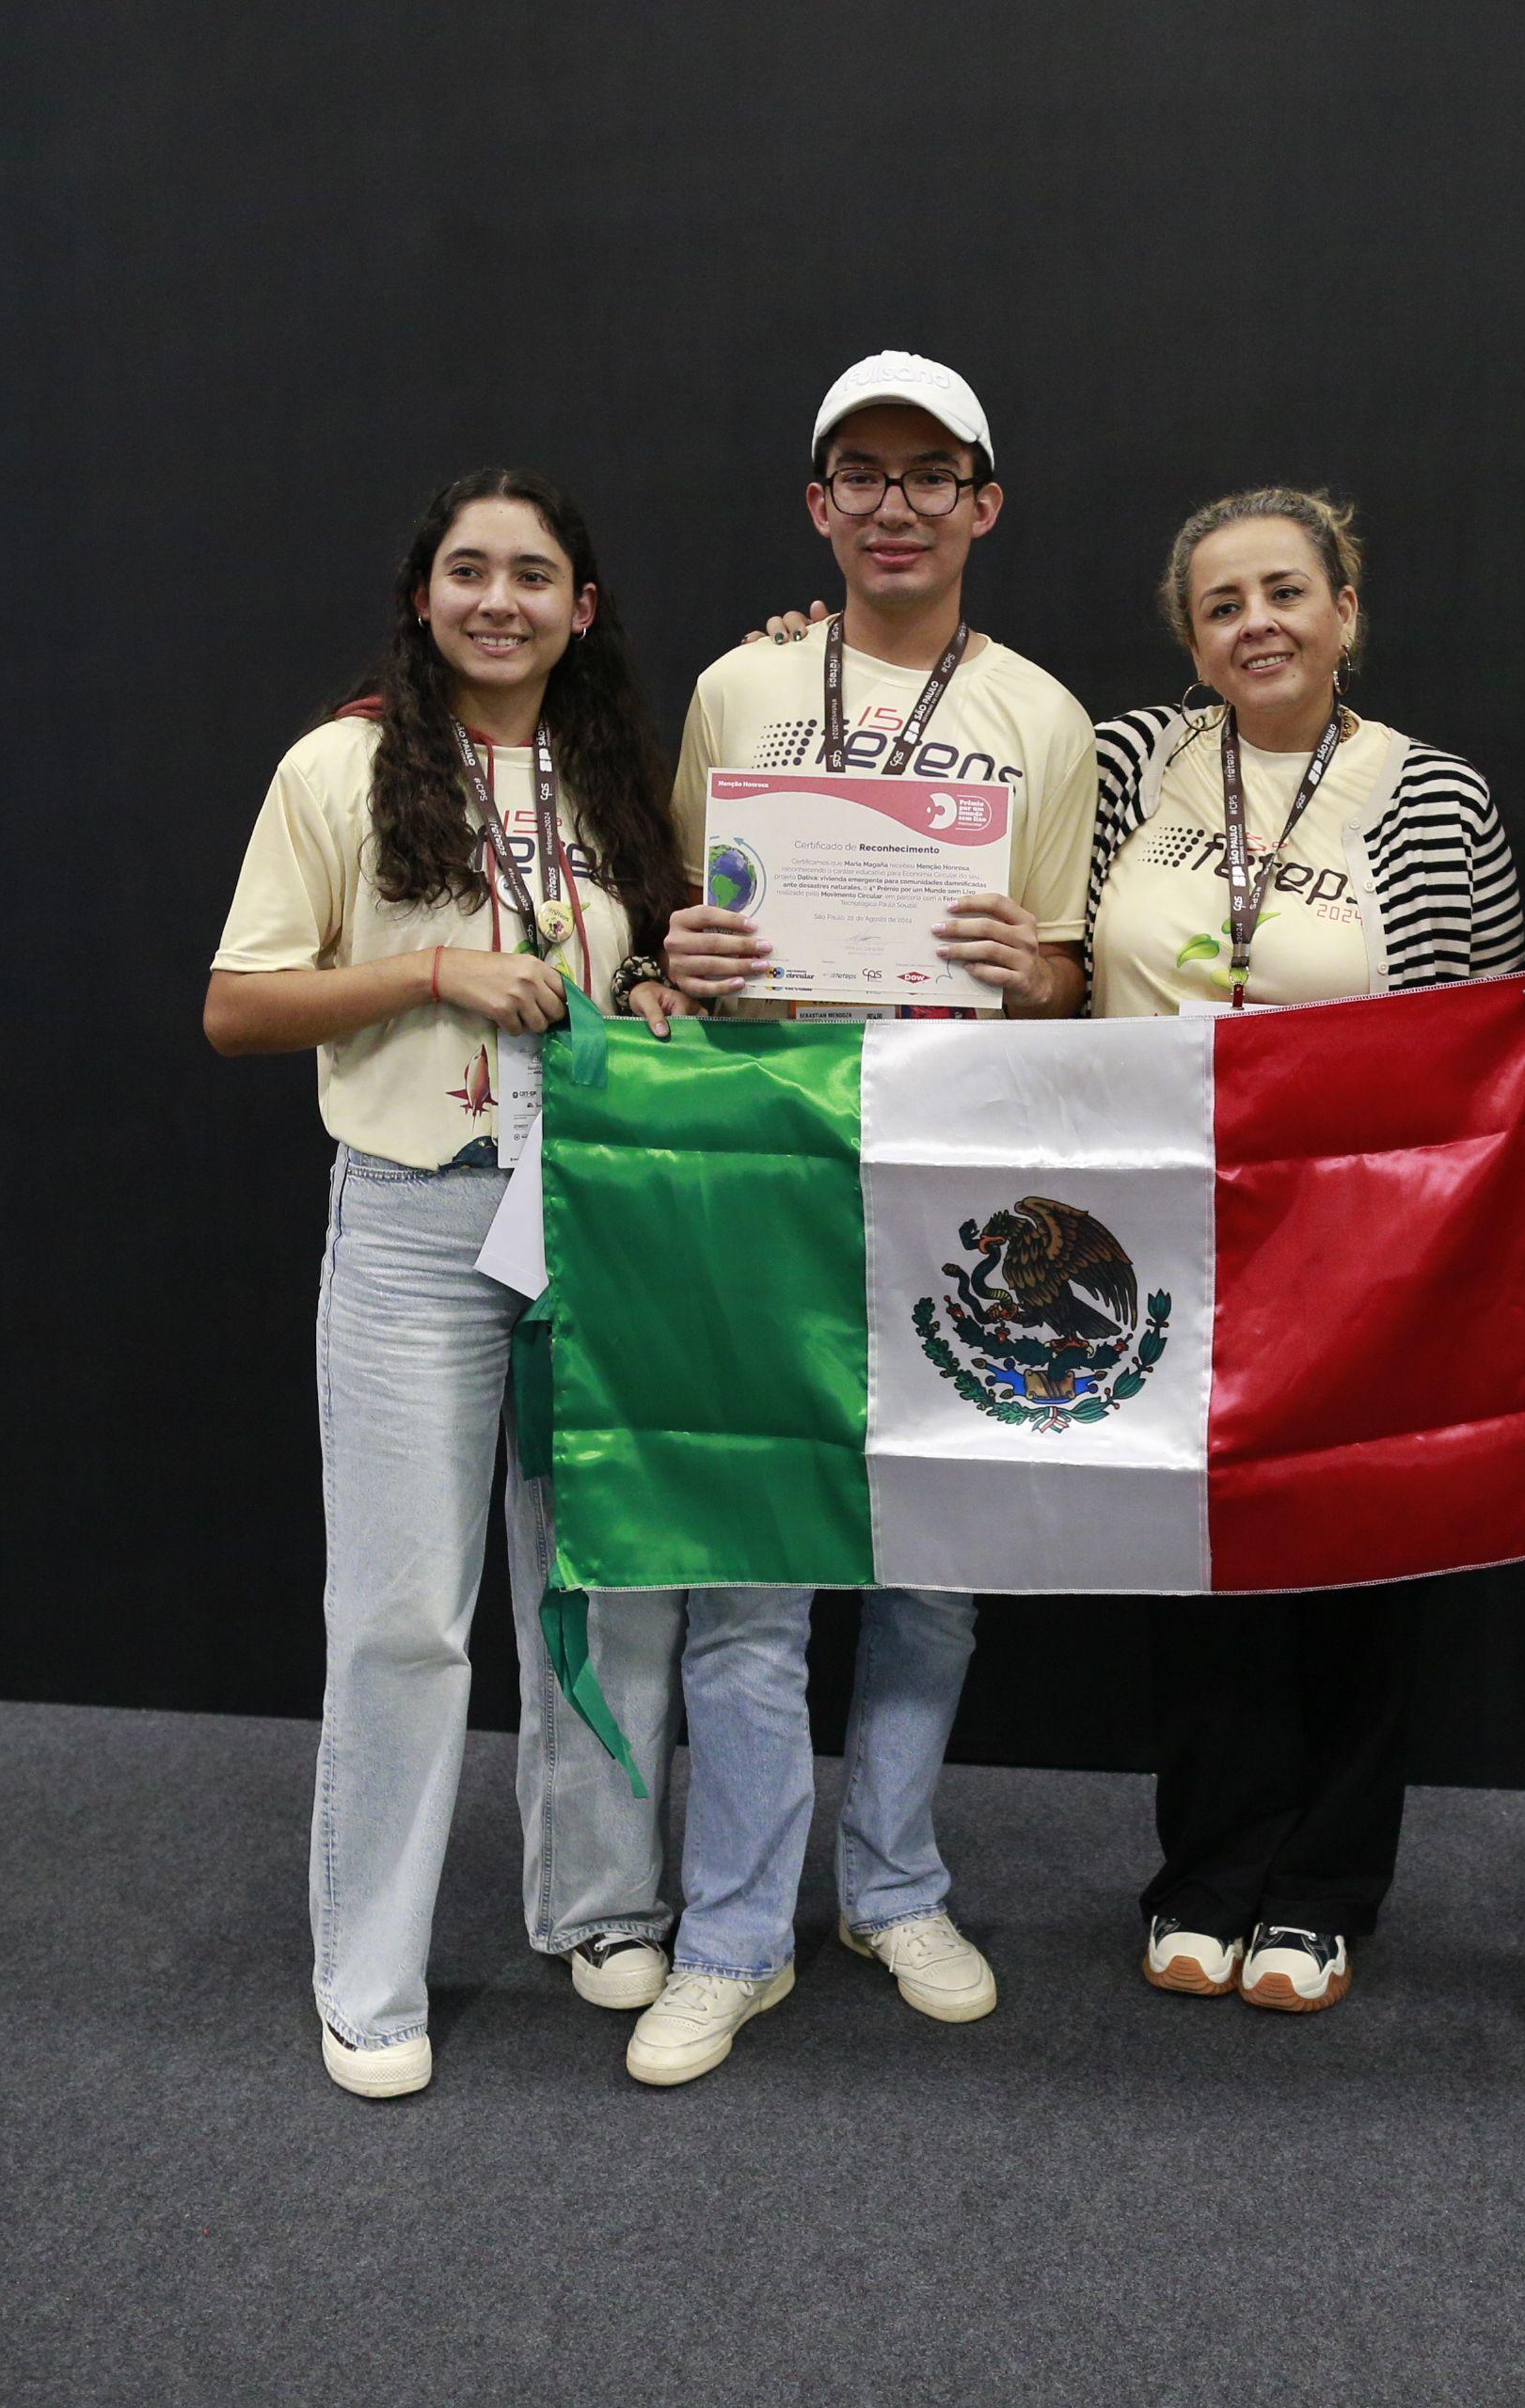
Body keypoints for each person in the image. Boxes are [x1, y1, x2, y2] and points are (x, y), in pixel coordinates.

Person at [624, 351, 1099, 2088]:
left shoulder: (1043, 719)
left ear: (985, 501)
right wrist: (680, 953)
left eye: (932, 472)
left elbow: (1074, 970)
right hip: (764, 1157)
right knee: (751, 1578)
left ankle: (893, 1882)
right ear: (819, 506)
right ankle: (732, 1933)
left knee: (936, 1573)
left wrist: (1033, 970)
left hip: (958, 1165)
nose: (896, 503)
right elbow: (685, 916)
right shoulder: (737, 689)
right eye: (861, 473)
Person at [204, 468, 698, 2099]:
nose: (502, 600)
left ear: (583, 609)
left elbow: (642, 966)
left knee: (610, 1579)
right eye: (469, 572)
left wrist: (658, 997)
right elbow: (238, 1006)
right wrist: (431, 970)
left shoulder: (615, 773)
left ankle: (605, 1902)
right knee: (408, 1615)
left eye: (535, 574)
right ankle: (369, 1972)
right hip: (420, 1220)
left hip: (597, 1220)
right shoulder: (337, 765)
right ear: (423, 598)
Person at [1084, 488, 1523, 2012]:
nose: (1255, 621)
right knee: (1192, 1567)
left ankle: (1325, 1886)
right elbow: (1070, 965)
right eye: (1221, 603)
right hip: (1152, 1235)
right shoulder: (1132, 762)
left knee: (1352, 1552)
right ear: (1190, 637)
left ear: (1345, 610)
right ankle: (1205, 1872)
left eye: (1285, 591)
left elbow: (1480, 1036)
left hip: (1358, 1248)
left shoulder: (1437, 797)